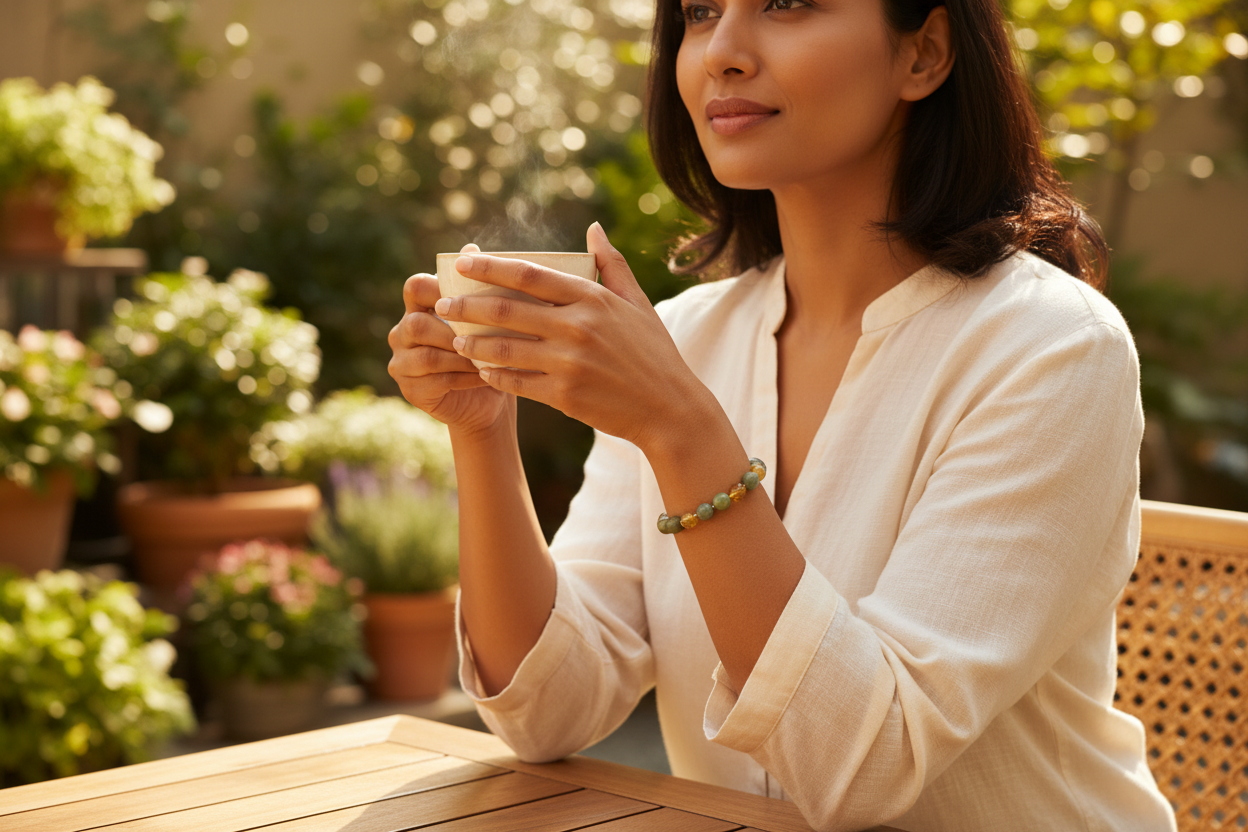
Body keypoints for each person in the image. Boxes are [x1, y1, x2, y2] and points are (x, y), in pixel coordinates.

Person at [388, 0, 1179, 828]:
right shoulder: (686, 339)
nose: (721, 53)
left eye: (787, 3)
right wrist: (482, 430)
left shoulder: (1050, 348)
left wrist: (680, 428)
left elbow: (865, 765)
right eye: (700, 12)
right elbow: (547, 710)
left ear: (924, 52)